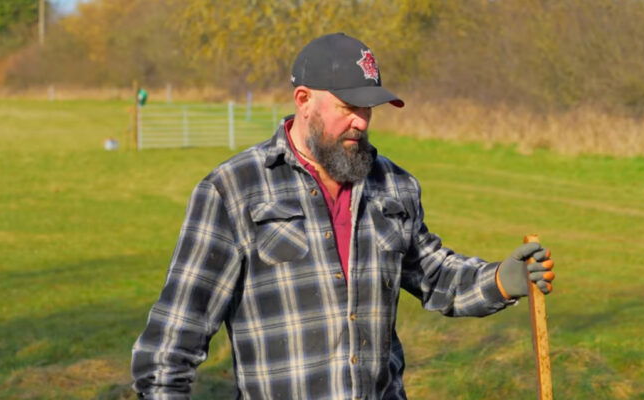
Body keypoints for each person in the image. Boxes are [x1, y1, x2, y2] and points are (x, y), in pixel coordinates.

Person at [131, 32, 555, 399]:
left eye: (368, 108)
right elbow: (172, 341)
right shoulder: (233, 189)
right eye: (347, 106)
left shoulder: (394, 186)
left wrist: (501, 280)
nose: (360, 121)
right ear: (304, 101)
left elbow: (436, 276)